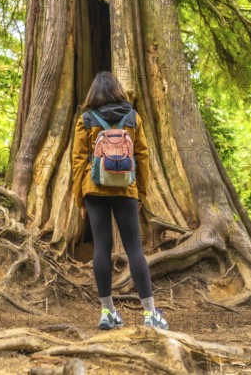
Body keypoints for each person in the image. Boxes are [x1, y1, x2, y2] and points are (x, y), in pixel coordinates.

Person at [72, 71, 169, 330]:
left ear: (94, 92)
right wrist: (142, 192)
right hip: (126, 189)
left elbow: (79, 160)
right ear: (118, 90)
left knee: (101, 248)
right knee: (134, 248)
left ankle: (107, 313)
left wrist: (79, 197)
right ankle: (149, 314)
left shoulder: (86, 119)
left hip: (94, 189)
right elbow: (143, 157)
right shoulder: (132, 117)